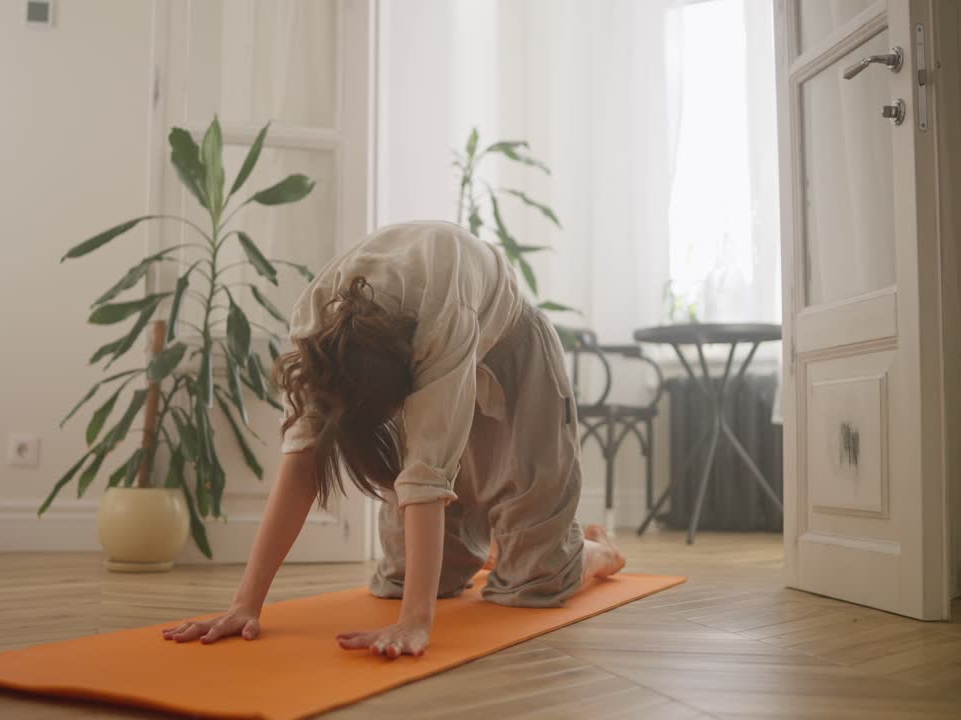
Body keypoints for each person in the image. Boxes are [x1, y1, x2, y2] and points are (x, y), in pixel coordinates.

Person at [161, 221, 626, 658]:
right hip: (427, 327)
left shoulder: (439, 322)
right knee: (403, 578)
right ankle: (512, 544)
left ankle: (593, 552)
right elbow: (300, 466)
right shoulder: (315, 335)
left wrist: (416, 622)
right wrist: (246, 603)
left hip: (514, 349)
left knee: (535, 584)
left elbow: (424, 475)